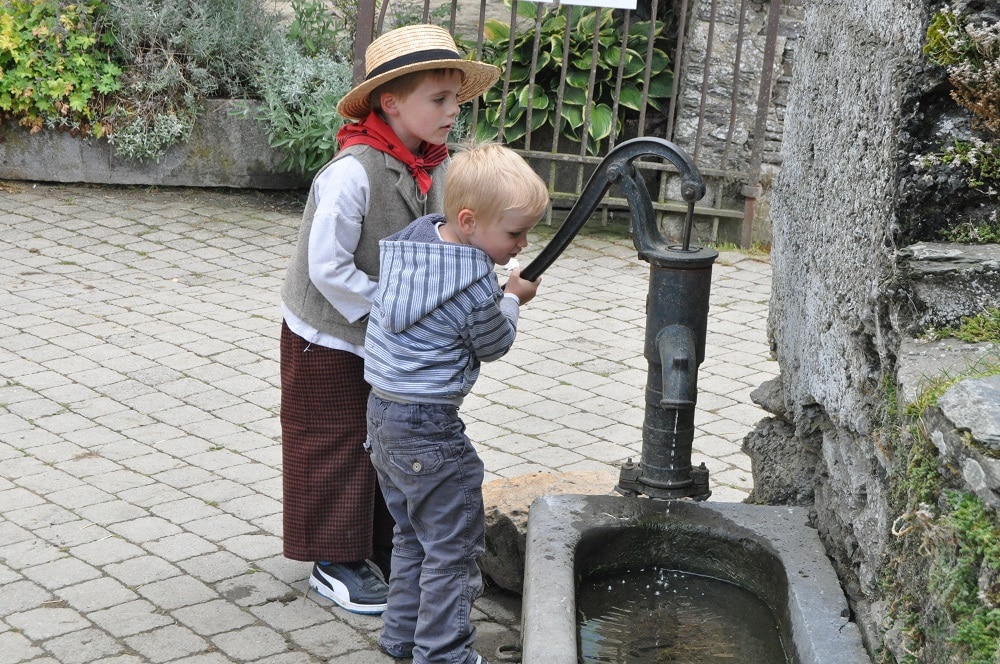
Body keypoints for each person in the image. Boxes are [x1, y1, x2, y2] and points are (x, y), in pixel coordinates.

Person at [279, 24, 500, 616]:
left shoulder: (439, 168)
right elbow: (326, 267)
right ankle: (333, 560)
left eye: (457, 98)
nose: (454, 110)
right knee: (334, 439)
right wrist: (397, 307)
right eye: (440, 99)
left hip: (389, 335)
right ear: (391, 102)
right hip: (326, 333)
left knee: (385, 434)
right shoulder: (351, 172)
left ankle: (379, 543)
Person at [364, 142, 549, 663]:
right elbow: (493, 344)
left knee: (411, 535)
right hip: (427, 425)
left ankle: (401, 638)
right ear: (468, 220)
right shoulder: (470, 284)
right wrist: (512, 297)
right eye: (514, 233)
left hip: (381, 415)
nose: (522, 243)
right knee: (452, 545)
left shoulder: (411, 245)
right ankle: (444, 654)